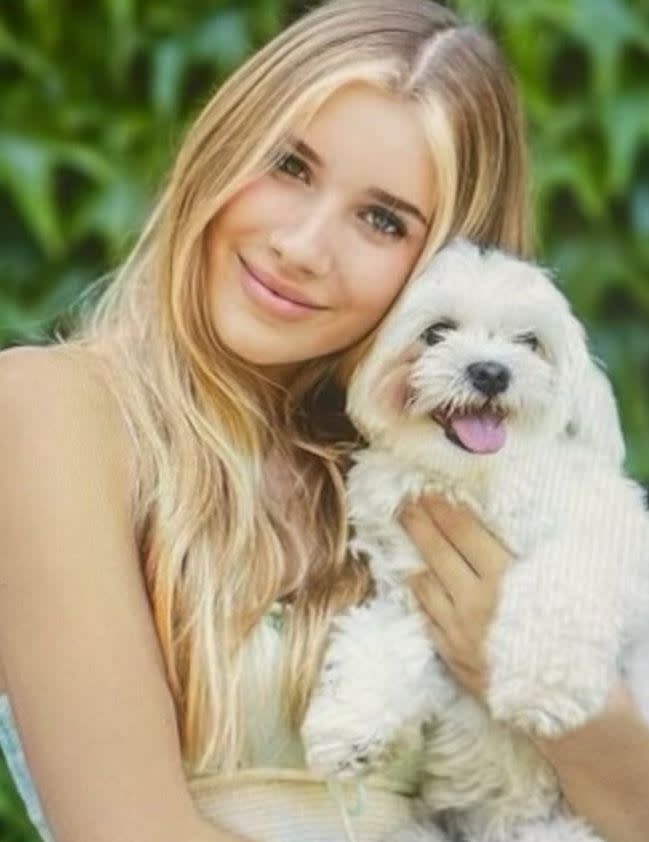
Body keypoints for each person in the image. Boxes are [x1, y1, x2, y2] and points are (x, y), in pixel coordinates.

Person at [0, 1, 647, 841]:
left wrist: (539, 681)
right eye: (287, 165)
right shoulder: (49, 411)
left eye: (381, 220)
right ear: (220, 144)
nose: (302, 246)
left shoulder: (413, 476)